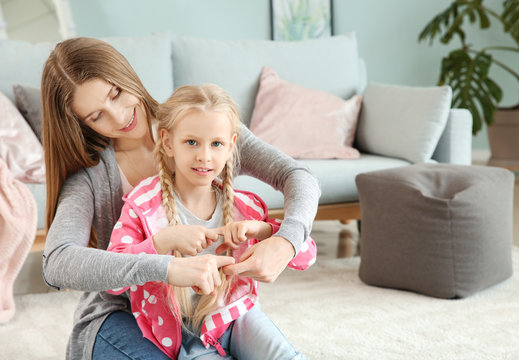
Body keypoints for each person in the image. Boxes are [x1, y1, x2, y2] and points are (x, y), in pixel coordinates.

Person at [41, 37, 320, 360]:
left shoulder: (204, 129)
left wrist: (286, 240)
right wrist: (166, 267)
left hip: (205, 310)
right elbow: (58, 262)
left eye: (116, 93)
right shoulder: (92, 176)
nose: (118, 118)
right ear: (80, 123)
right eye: (96, 116)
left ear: (125, 73)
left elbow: (297, 176)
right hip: (120, 315)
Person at [106, 84, 316, 359]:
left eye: (216, 144)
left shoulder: (246, 207)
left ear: (231, 145)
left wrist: (266, 231)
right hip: (183, 334)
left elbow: (306, 256)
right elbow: (112, 276)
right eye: (191, 142)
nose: (204, 156)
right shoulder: (143, 205)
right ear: (168, 142)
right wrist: (163, 241)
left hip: (238, 316)